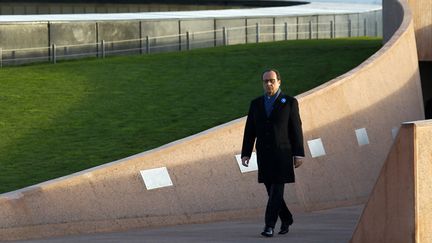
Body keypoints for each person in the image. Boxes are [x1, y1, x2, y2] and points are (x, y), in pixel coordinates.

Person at [241, 69, 305, 237]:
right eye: (265, 81)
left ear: (279, 81)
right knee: (271, 191)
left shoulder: (289, 102)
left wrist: (299, 153)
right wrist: (246, 153)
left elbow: (296, 130)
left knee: (277, 190)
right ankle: (286, 217)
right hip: (264, 155)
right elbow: (250, 130)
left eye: (272, 80)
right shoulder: (256, 104)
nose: (269, 84)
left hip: (282, 155)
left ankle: (269, 225)